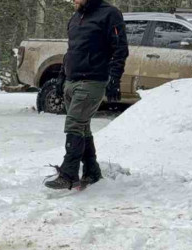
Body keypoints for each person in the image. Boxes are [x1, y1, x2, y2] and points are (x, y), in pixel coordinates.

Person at [45, 0, 128, 190]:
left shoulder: (110, 14)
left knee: (74, 124)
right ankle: (92, 171)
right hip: (71, 80)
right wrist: (61, 76)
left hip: (93, 80)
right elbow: (71, 50)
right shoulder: (76, 17)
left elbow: (120, 49)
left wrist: (114, 79)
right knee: (82, 128)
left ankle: (69, 174)